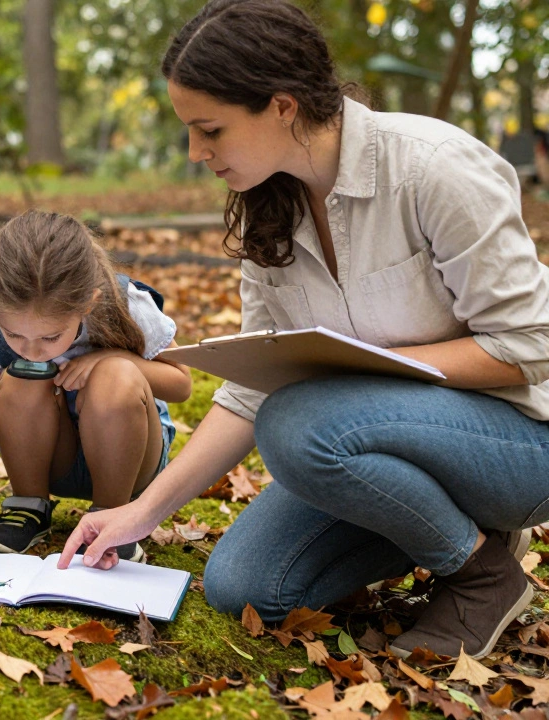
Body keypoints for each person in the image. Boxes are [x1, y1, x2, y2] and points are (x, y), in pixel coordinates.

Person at [61, 0, 549, 660]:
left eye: (210, 129)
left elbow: (528, 345)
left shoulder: (433, 169)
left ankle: (481, 577)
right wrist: (143, 511)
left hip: (519, 446)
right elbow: (251, 390)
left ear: (283, 106)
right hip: (383, 449)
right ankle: (467, 534)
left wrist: (370, 366)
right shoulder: (270, 203)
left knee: (298, 424)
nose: (195, 152)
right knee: (247, 588)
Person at [0, 211, 190, 579]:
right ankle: (28, 507)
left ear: (88, 303)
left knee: (115, 377)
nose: (32, 350)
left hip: (131, 456)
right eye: (15, 335)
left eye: (50, 337)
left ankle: (110, 515)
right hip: (48, 459)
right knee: (21, 376)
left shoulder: (127, 305)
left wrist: (115, 357)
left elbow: (181, 383)